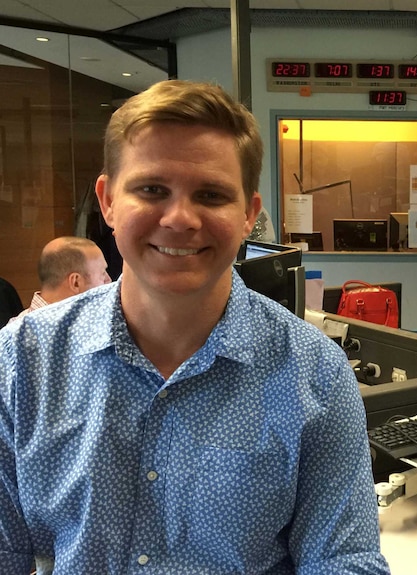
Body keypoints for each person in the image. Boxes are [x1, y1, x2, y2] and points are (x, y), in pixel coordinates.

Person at [0, 80, 390, 574]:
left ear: (249, 215)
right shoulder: (23, 360)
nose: (180, 218)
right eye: (151, 189)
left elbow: (342, 561)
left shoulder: (315, 374)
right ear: (108, 201)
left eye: (210, 194)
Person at [7, 236, 110, 324]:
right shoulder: (20, 337)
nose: (108, 280)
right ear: (76, 282)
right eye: (103, 273)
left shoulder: (18, 333)